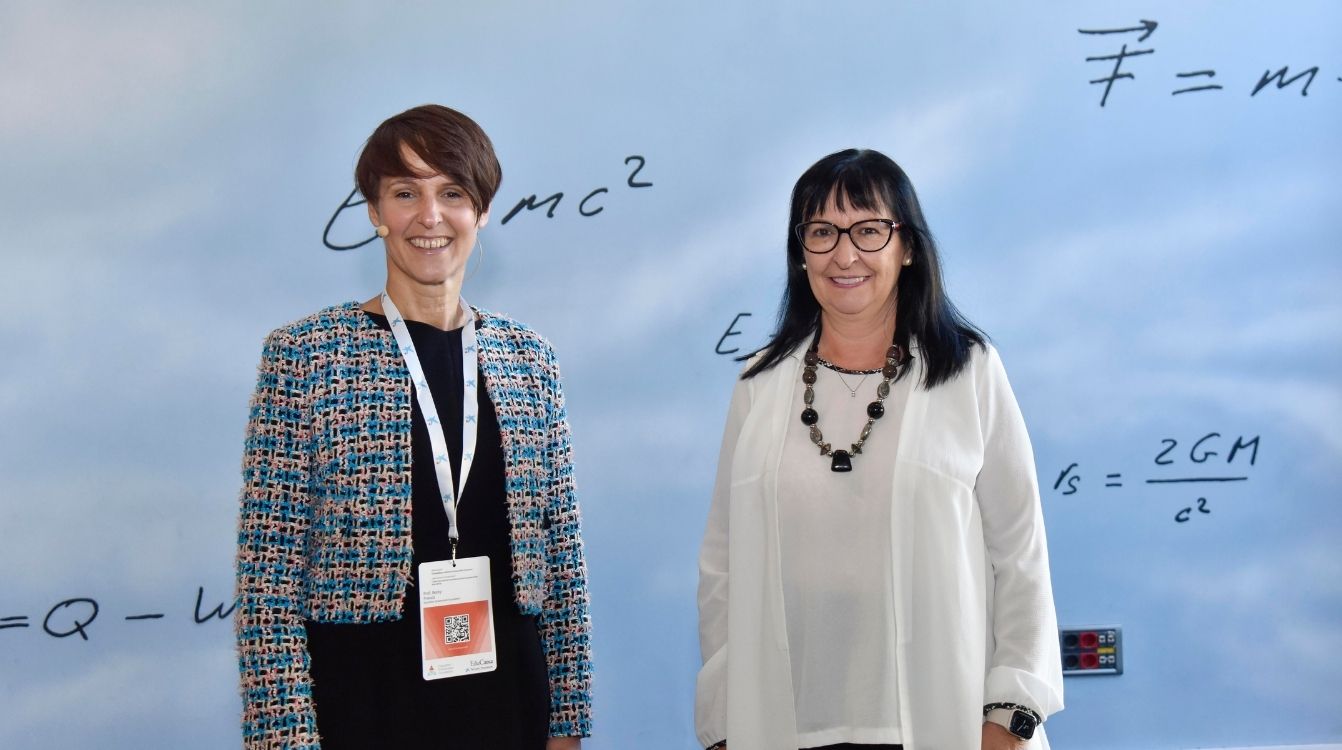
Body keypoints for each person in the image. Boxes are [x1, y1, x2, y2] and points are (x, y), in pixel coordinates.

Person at [235, 104, 592, 750]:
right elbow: (268, 582)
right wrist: (285, 740)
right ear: (374, 212)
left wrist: (567, 722)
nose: (430, 217)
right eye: (405, 193)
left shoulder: (529, 360)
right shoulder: (306, 357)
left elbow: (562, 560)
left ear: (481, 211)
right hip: (363, 705)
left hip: (508, 703)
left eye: (451, 193)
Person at [695, 149, 1063, 750]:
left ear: (908, 246)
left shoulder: (968, 372)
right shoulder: (759, 384)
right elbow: (722, 565)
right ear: (800, 252)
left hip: (946, 721)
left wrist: (1011, 713)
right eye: (822, 233)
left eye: (869, 230)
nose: (845, 255)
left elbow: (1019, 550)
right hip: (787, 725)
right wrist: (724, 721)